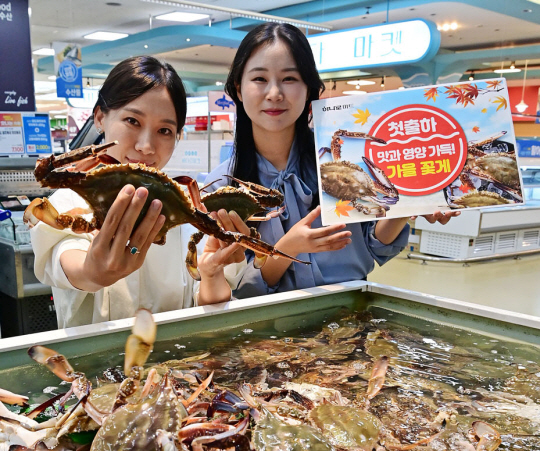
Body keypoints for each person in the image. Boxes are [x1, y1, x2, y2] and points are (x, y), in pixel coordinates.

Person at [204, 23, 459, 298]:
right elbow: (234, 288)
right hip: (269, 331)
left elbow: (374, 245)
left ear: (309, 89)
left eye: (290, 78)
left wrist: (409, 203)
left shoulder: (344, 158)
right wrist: (288, 248)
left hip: (349, 320)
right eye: (260, 79)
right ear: (238, 89)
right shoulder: (221, 187)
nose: (275, 93)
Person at [31, 56, 245, 328]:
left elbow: (208, 310)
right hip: (94, 365)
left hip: (177, 365)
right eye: (132, 120)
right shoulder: (72, 198)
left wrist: (213, 274)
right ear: (100, 117)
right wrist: (93, 271)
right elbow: (66, 257)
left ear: (177, 136)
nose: (146, 146)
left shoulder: (187, 206)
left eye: (164, 130)